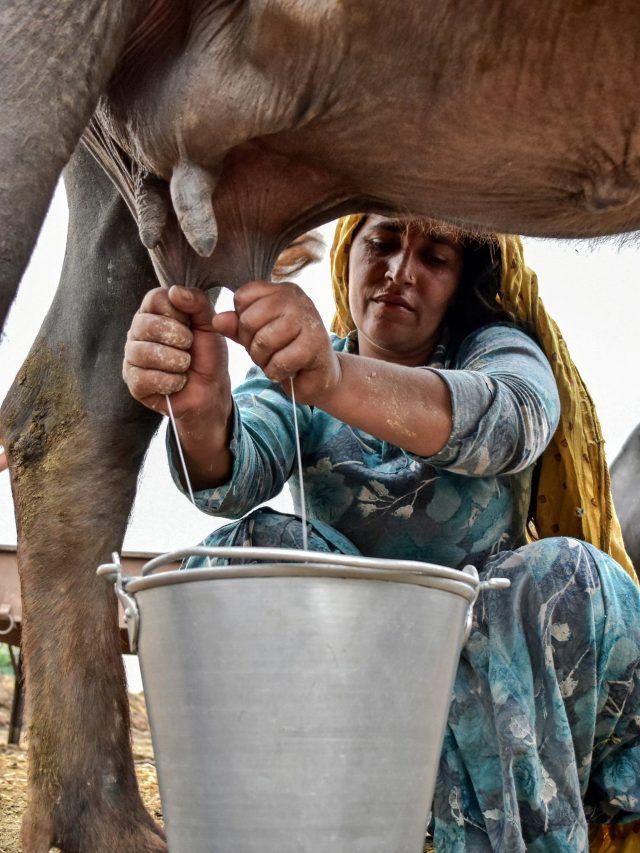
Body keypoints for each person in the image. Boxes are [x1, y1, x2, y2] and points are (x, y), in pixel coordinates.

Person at [123, 214, 640, 851]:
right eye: (384, 243)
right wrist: (199, 409)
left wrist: (332, 382)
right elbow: (235, 473)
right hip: (355, 671)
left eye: (435, 258)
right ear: (349, 256)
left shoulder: (497, 351)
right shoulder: (298, 371)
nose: (400, 273)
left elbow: (510, 421)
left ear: (460, 285)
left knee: (560, 575)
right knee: (248, 548)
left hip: (494, 679)